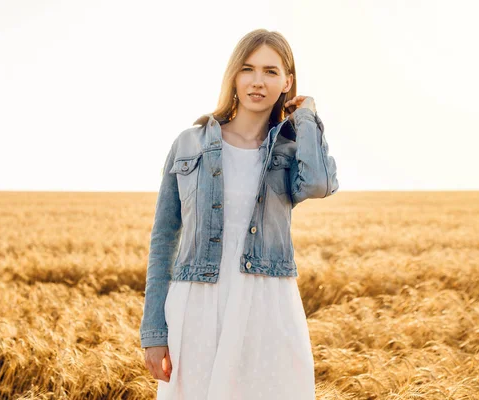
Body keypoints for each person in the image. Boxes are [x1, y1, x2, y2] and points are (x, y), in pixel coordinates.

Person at [140, 28, 339, 399]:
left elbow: (319, 184)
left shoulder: (291, 149)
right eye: (248, 69)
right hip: (197, 303)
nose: (257, 82)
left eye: (270, 71)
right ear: (233, 75)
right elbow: (164, 238)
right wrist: (154, 331)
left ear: (287, 81)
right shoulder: (189, 143)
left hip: (268, 303)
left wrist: (308, 117)